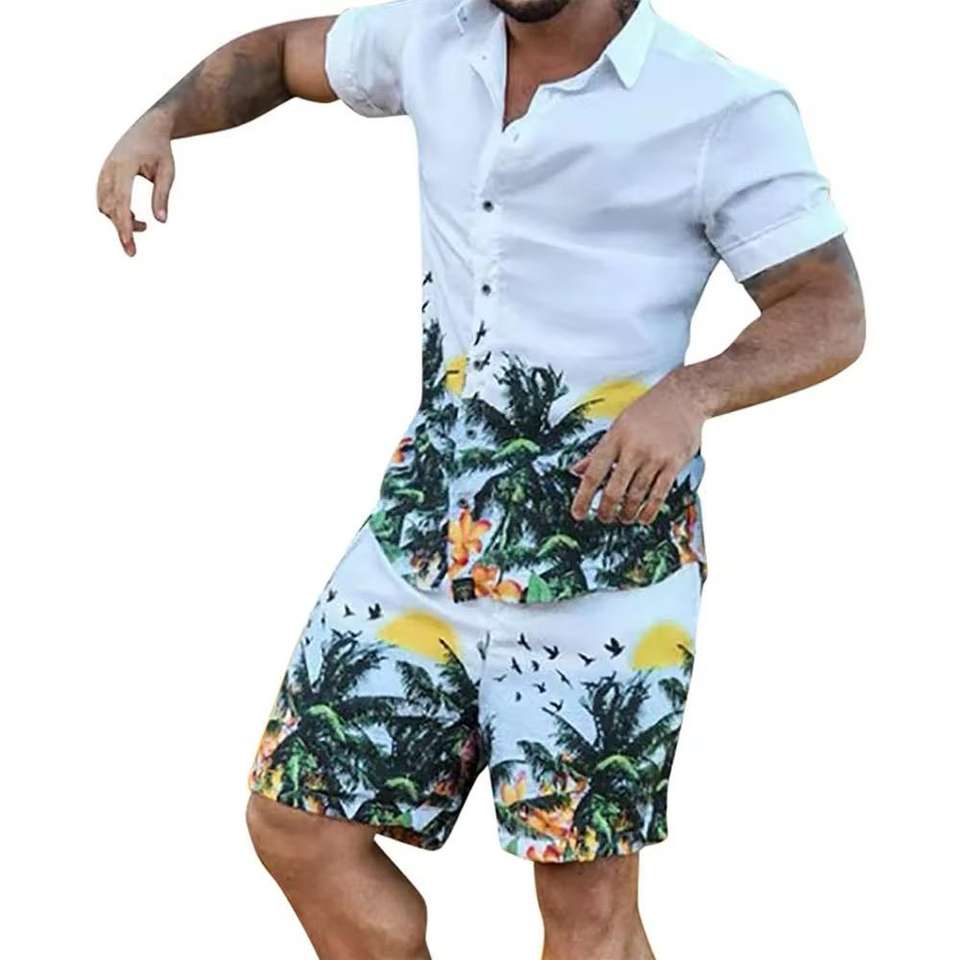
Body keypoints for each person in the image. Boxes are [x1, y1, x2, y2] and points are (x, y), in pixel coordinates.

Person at [96, 0, 865, 956]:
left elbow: (829, 308)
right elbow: (286, 53)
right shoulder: (433, 34)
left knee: (585, 909)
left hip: (603, 560)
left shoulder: (720, 107)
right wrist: (161, 120)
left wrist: (692, 394)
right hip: (425, 530)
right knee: (298, 825)